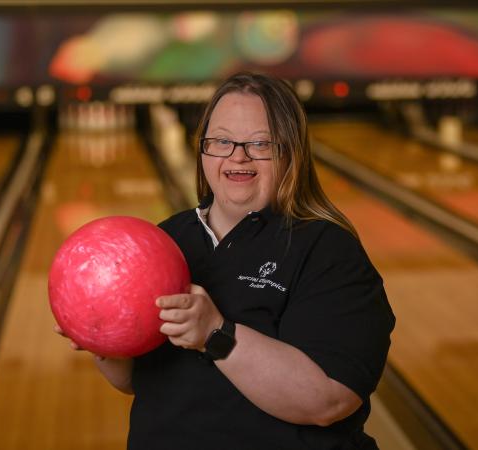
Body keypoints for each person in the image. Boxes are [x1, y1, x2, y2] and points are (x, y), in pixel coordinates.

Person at [58, 72, 395, 449]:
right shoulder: (165, 239)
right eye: (221, 141)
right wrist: (105, 341)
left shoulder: (328, 250)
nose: (238, 156)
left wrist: (216, 335)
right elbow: (139, 380)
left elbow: (329, 400)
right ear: (203, 150)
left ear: (291, 151)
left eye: (260, 143)